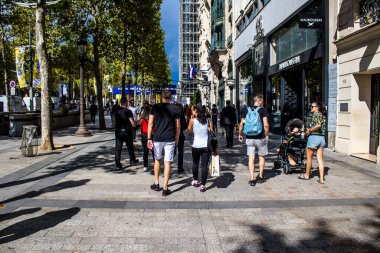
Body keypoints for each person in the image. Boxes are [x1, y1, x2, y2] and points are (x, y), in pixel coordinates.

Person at [147, 90, 180, 196]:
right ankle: (165, 189)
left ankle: (156, 183)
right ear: (170, 98)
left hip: (157, 138)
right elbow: (178, 126)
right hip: (170, 138)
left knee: (157, 160)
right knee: (167, 162)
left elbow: (150, 123)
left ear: (161, 97)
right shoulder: (175, 108)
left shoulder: (155, 107)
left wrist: (148, 138)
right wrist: (177, 138)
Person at [239, 94, 269, 186]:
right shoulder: (262, 110)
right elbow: (266, 125)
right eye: (262, 101)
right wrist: (267, 135)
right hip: (260, 137)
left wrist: (240, 134)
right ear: (259, 101)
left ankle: (252, 179)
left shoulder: (246, 109)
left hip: (249, 138)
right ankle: (260, 177)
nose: (263, 103)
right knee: (261, 156)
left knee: (251, 158)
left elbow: (241, 124)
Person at [298, 101, 327, 184]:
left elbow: (318, 125)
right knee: (320, 159)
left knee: (309, 157)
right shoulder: (323, 116)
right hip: (322, 139)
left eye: (312, 106)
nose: (311, 108)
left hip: (314, 137)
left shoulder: (316, 115)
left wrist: (309, 131)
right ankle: (321, 179)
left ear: (317, 108)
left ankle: (306, 175)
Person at [187, 105, 212, 192]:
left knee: (195, 163)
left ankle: (195, 180)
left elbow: (189, 131)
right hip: (205, 146)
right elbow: (212, 132)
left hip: (196, 146)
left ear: (197, 112)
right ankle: (203, 186)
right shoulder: (208, 120)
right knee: (204, 165)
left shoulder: (192, 121)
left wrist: (192, 121)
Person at [114, 97, 139, 170]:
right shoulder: (128, 111)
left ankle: (118, 164)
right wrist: (136, 124)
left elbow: (114, 121)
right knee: (130, 147)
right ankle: (132, 160)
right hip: (127, 132)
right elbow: (132, 123)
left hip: (118, 132)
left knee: (118, 148)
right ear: (125, 102)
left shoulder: (116, 111)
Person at [140, 103, 155, 172]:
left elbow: (138, 125)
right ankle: (155, 164)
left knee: (145, 151)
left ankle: (145, 166)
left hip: (144, 135)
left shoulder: (142, 118)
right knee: (153, 151)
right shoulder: (152, 117)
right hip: (152, 134)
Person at [174, 103, 187, 173]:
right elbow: (185, 126)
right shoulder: (181, 115)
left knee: (170, 152)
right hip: (180, 136)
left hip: (171, 135)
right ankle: (180, 167)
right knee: (180, 152)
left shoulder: (171, 114)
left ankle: (168, 166)